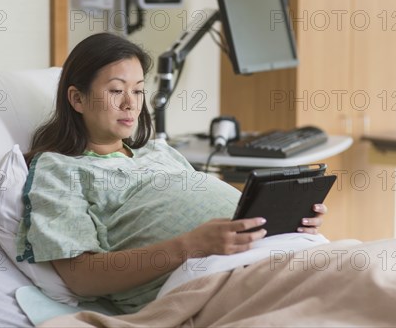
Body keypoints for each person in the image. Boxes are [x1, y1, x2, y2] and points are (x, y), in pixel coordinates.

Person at [16, 32, 327, 313]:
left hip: (268, 253)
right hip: (208, 281)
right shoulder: (58, 170)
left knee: (357, 266)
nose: (130, 104)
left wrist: (287, 220)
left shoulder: (157, 150)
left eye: (138, 91)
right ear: (77, 98)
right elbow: (81, 278)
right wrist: (192, 245)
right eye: (116, 90)